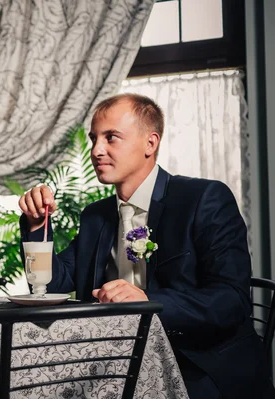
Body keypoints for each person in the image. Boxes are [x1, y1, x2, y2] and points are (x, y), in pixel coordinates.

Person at [18, 93, 274, 398]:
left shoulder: (204, 199)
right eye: (94, 138)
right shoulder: (95, 217)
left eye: (111, 137)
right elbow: (54, 282)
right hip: (113, 363)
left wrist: (147, 301)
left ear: (150, 144)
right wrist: (36, 225)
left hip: (198, 364)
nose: (97, 150)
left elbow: (231, 301)